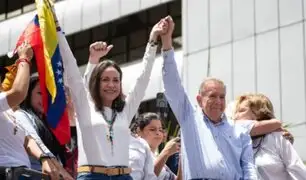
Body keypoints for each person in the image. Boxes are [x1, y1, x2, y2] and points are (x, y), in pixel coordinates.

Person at [58, 17, 168, 179]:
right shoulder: (84, 106)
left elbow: (143, 79)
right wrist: (57, 30)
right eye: (105, 80)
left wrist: (152, 41)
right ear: (96, 83)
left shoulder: (125, 111)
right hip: (91, 176)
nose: (111, 85)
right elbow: (71, 67)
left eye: (116, 80)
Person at [161, 16, 257, 179]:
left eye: (222, 97)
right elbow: (172, 84)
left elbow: (248, 166)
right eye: (212, 96)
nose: (219, 102)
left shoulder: (239, 131)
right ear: (199, 100)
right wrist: (166, 41)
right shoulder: (189, 119)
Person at [0, 42, 59, 180]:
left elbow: (26, 140)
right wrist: (24, 59)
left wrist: (44, 158)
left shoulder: (8, 113)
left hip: (23, 173)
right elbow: (19, 93)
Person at [234, 93, 306, 180]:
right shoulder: (235, 143)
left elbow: (297, 170)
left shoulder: (277, 138)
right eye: (236, 112)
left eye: (241, 111)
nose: (235, 116)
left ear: (258, 114)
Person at [15, 75, 73, 180]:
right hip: (34, 175)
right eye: (40, 93)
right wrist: (60, 169)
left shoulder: (51, 122)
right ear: (28, 94)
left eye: (48, 94)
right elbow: (33, 140)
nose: (45, 98)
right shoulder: (21, 115)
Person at [131, 112, 182, 180]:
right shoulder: (136, 153)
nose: (158, 133)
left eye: (160, 130)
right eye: (152, 129)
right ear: (139, 131)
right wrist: (165, 153)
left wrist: (182, 158)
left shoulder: (155, 156)